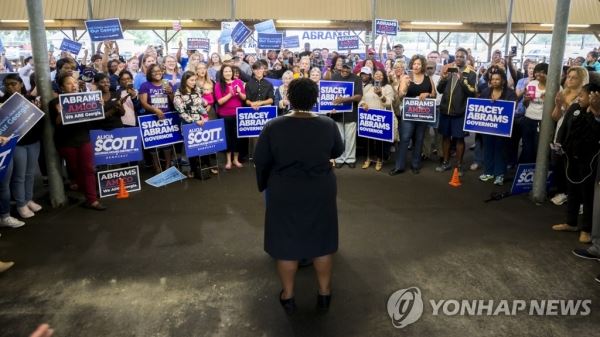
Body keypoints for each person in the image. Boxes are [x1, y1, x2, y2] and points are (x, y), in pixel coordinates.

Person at [254, 77, 344, 314]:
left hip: (285, 190)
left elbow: (261, 160)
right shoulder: (327, 124)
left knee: (286, 244)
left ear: (289, 98)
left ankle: (289, 295)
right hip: (320, 188)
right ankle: (324, 293)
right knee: (322, 242)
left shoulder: (273, 126)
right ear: (315, 99)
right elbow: (338, 150)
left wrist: (264, 185)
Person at [552, 82, 600, 244]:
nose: (579, 97)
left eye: (582, 95)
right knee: (572, 190)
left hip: (590, 160)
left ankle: (586, 229)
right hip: (570, 156)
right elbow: (564, 127)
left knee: (587, 195)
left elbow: (596, 132)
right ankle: (571, 222)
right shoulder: (574, 109)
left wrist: (595, 111)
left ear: (594, 96)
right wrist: (559, 144)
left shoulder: (597, 114)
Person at [49, 74, 106, 210]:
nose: (73, 85)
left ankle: (92, 199)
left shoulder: (85, 99)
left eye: (74, 82)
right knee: (76, 170)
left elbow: (95, 119)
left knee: (88, 168)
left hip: (83, 138)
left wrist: (99, 106)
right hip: (66, 142)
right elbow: (56, 123)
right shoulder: (54, 103)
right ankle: (86, 191)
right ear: (62, 87)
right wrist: (60, 114)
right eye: (69, 83)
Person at [0, 74, 44, 219]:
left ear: (20, 84)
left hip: (33, 142)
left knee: (29, 174)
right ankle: (20, 204)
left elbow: (37, 122)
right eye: (7, 85)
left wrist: (39, 110)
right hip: (17, 144)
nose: (11, 87)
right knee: (19, 175)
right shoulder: (2, 103)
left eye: (14, 84)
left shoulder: (30, 99)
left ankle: (28, 199)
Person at [390, 55, 437, 175]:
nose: (416, 66)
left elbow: (434, 94)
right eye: (414, 64)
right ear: (411, 64)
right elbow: (400, 95)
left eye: (419, 64)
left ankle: (416, 164)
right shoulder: (406, 76)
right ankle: (399, 166)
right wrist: (404, 87)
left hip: (422, 114)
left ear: (423, 66)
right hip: (408, 114)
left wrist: (427, 94)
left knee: (419, 139)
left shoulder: (428, 78)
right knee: (405, 139)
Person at [550, 66, 589, 205]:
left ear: (582, 79)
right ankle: (562, 191)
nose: (570, 79)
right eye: (568, 76)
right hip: (560, 133)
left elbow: (576, 116)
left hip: (574, 137)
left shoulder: (584, 96)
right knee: (557, 164)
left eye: (574, 77)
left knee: (572, 167)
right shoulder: (563, 92)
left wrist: (564, 104)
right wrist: (557, 104)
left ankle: (574, 196)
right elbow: (555, 117)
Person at [435, 48, 477, 175]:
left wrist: (461, 79)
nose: (458, 58)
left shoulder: (471, 73)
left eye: (461, 56)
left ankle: (459, 165)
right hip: (445, 110)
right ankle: (446, 163)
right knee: (445, 137)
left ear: (466, 58)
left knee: (459, 139)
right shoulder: (449, 70)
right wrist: (443, 78)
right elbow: (440, 90)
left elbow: (472, 92)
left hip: (460, 111)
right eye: (457, 56)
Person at [477, 66, 517, 186]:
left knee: (501, 150)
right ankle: (489, 172)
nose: (494, 81)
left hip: (502, 128)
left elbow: (512, 108)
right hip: (488, 127)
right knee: (488, 149)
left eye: (497, 79)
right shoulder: (485, 92)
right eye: (493, 79)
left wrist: (499, 104)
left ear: (503, 81)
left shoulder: (510, 93)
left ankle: (500, 174)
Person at [139, 64, 175, 173]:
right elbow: (143, 103)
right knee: (153, 144)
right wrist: (155, 110)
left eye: (159, 71)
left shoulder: (166, 83)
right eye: (154, 72)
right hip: (151, 118)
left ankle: (168, 166)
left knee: (167, 143)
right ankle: (157, 166)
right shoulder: (145, 85)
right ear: (149, 74)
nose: (157, 73)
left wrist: (170, 93)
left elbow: (173, 101)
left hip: (166, 116)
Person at [174, 71, 211, 179]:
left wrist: (205, 115)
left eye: (195, 80)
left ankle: (202, 169)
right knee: (190, 148)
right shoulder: (178, 94)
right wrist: (194, 121)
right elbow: (181, 112)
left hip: (201, 121)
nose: (194, 82)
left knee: (202, 146)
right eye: (191, 80)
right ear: (185, 80)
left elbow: (199, 106)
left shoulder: (197, 90)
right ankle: (192, 170)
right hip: (188, 123)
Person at [359, 68, 394, 171]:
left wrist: (380, 94)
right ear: (373, 76)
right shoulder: (369, 87)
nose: (378, 76)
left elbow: (388, 102)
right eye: (376, 74)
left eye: (381, 74)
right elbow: (362, 99)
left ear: (384, 76)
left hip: (381, 117)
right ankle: (368, 159)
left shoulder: (388, 87)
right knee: (367, 139)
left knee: (380, 141)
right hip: (368, 116)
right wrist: (363, 104)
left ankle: (379, 160)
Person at [331, 62, 363, 168]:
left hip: (351, 112)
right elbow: (328, 92)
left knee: (350, 138)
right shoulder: (334, 76)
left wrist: (344, 100)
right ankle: (339, 158)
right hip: (337, 112)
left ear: (352, 69)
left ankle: (350, 158)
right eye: (343, 68)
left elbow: (359, 96)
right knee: (339, 137)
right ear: (340, 68)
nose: (345, 70)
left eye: (347, 69)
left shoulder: (356, 79)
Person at [214, 64, 247, 170]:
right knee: (227, 138)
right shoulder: (218, 85)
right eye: (225, 71)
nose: (228, 73)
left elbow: (244, 97)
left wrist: (239, 92)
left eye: (229, 71)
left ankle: (235, 159)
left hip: (237, 113)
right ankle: (228, 160)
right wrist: (230, 94)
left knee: (237, 138)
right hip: (224, 115)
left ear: (232, 73)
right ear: (222, 73)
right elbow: (219, 102)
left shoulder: (238, 82)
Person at [520, 63, 548, 164]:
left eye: (543, 72)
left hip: (543, 121)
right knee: (527, 145)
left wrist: (547, 101)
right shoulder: (532, 84)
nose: (539, 74)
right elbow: (526, 104)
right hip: (528, 118)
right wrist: (526, 99)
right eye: (537, 72)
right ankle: (525, 169)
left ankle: (536, 170)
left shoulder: (553, 86)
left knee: (538, 147)